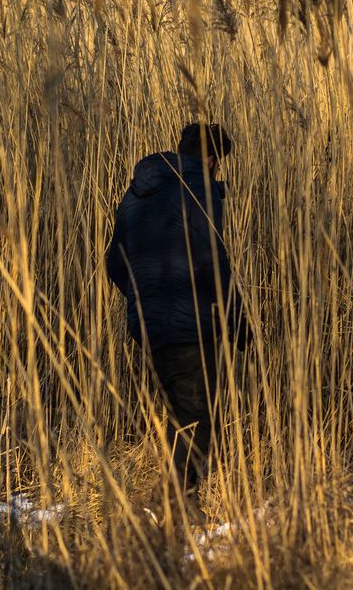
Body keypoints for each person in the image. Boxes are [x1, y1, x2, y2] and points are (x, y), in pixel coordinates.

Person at [105, 123, 245, 493]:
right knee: (200, 416)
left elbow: (114, 263)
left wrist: (144, 298)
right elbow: (210, 262)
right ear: (213, 159)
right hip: (191, 324)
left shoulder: (137, 193)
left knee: (183, 414)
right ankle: (173, 500)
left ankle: (173, 505)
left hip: (149, 327)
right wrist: (236, 317)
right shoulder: (199, 190)